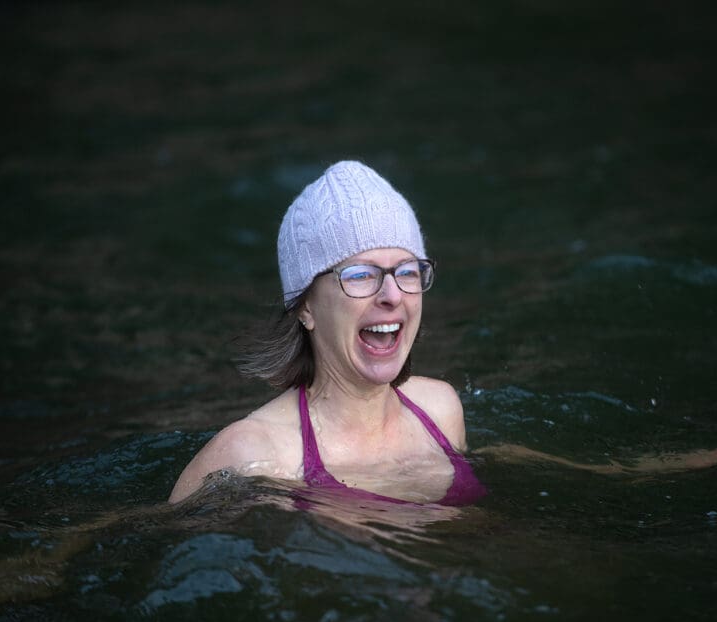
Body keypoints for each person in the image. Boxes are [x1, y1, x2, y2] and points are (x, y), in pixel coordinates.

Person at [169, 160, 486, 505]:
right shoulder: (254, 454)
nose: (393, 296)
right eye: (360, 275)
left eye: (407, 271)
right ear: (306, 306)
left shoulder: (441, 409)